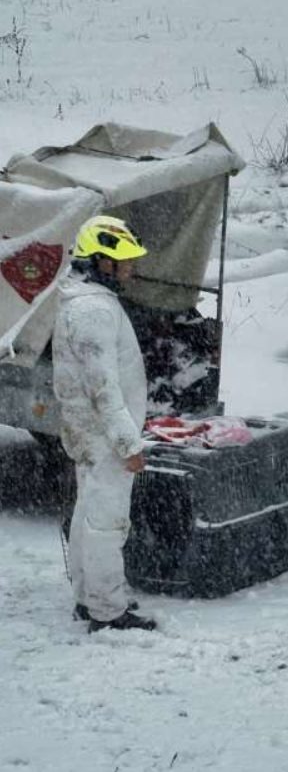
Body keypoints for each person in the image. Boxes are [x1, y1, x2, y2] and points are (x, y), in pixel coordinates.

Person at [53, 215, 155, 633]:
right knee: (106, 522)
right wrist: (128, 443)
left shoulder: (86, 303)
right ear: (99, 262)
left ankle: (87, 599)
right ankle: (108, 612)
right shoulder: (94, 310)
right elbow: (103, 387)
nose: (130, 267)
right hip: (103, 436)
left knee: (87, 514)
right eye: (122, 260)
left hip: (88, 432)